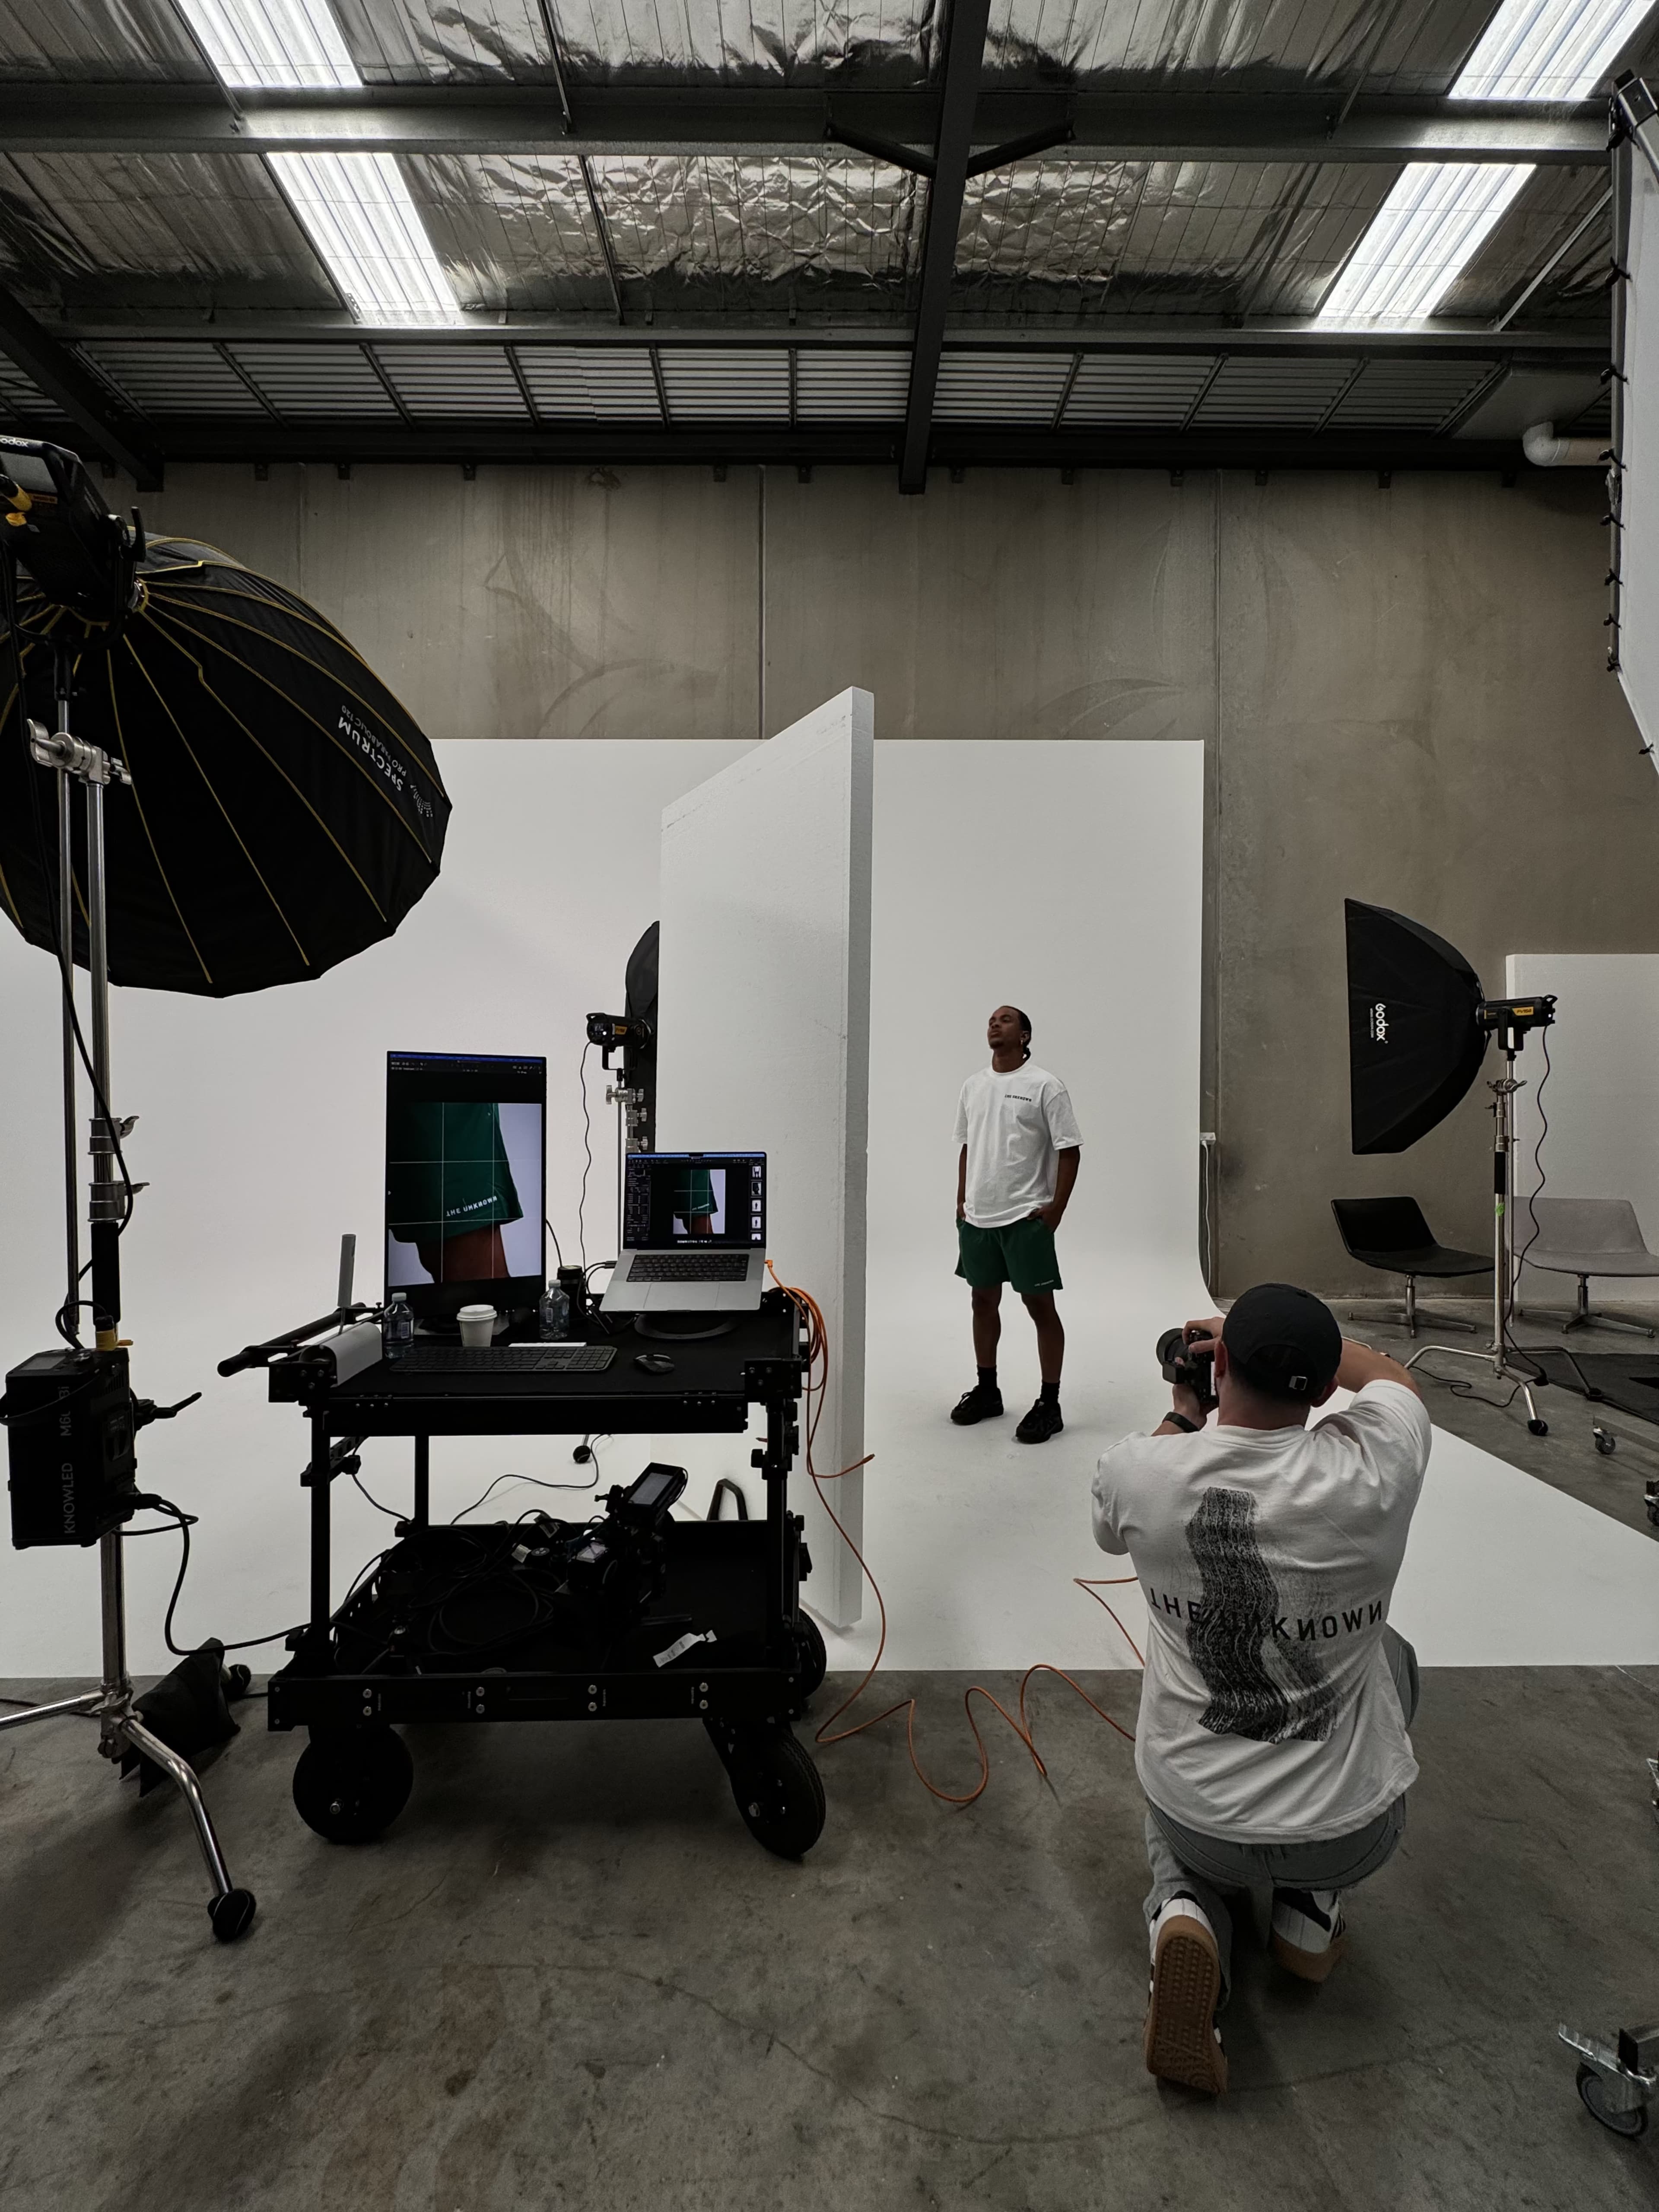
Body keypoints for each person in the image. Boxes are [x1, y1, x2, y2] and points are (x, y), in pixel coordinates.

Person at [1090, 1283, 1430, 2097]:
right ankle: (1308, 1914)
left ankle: (1184, 1911)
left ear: (1221, 1365)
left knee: (1176, 1780)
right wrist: (1303, 1345)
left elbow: (1107, 1526)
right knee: (1395, 1655)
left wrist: (1183, 1411)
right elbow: (1399, 1385)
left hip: (1202, 1819)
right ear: (1319, 1389)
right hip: (1348, 1830)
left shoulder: (1145, 1474)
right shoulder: (1376, 1465)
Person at [950, 1004, 1082, 1445]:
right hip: (979, 1216)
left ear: (1025, 1035)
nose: (994, 1022)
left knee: (1039, 1306)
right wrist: (960, 1197)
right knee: (981, 1302)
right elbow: (968, 1145)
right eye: (990, 1018)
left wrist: (1056, 1210)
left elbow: (1069, 1149)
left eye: (1006, 1019)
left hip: (1026, 1216)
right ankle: (988, 1390)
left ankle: (1050, 1402)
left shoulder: (1045, 1085)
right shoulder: (973, 1086)